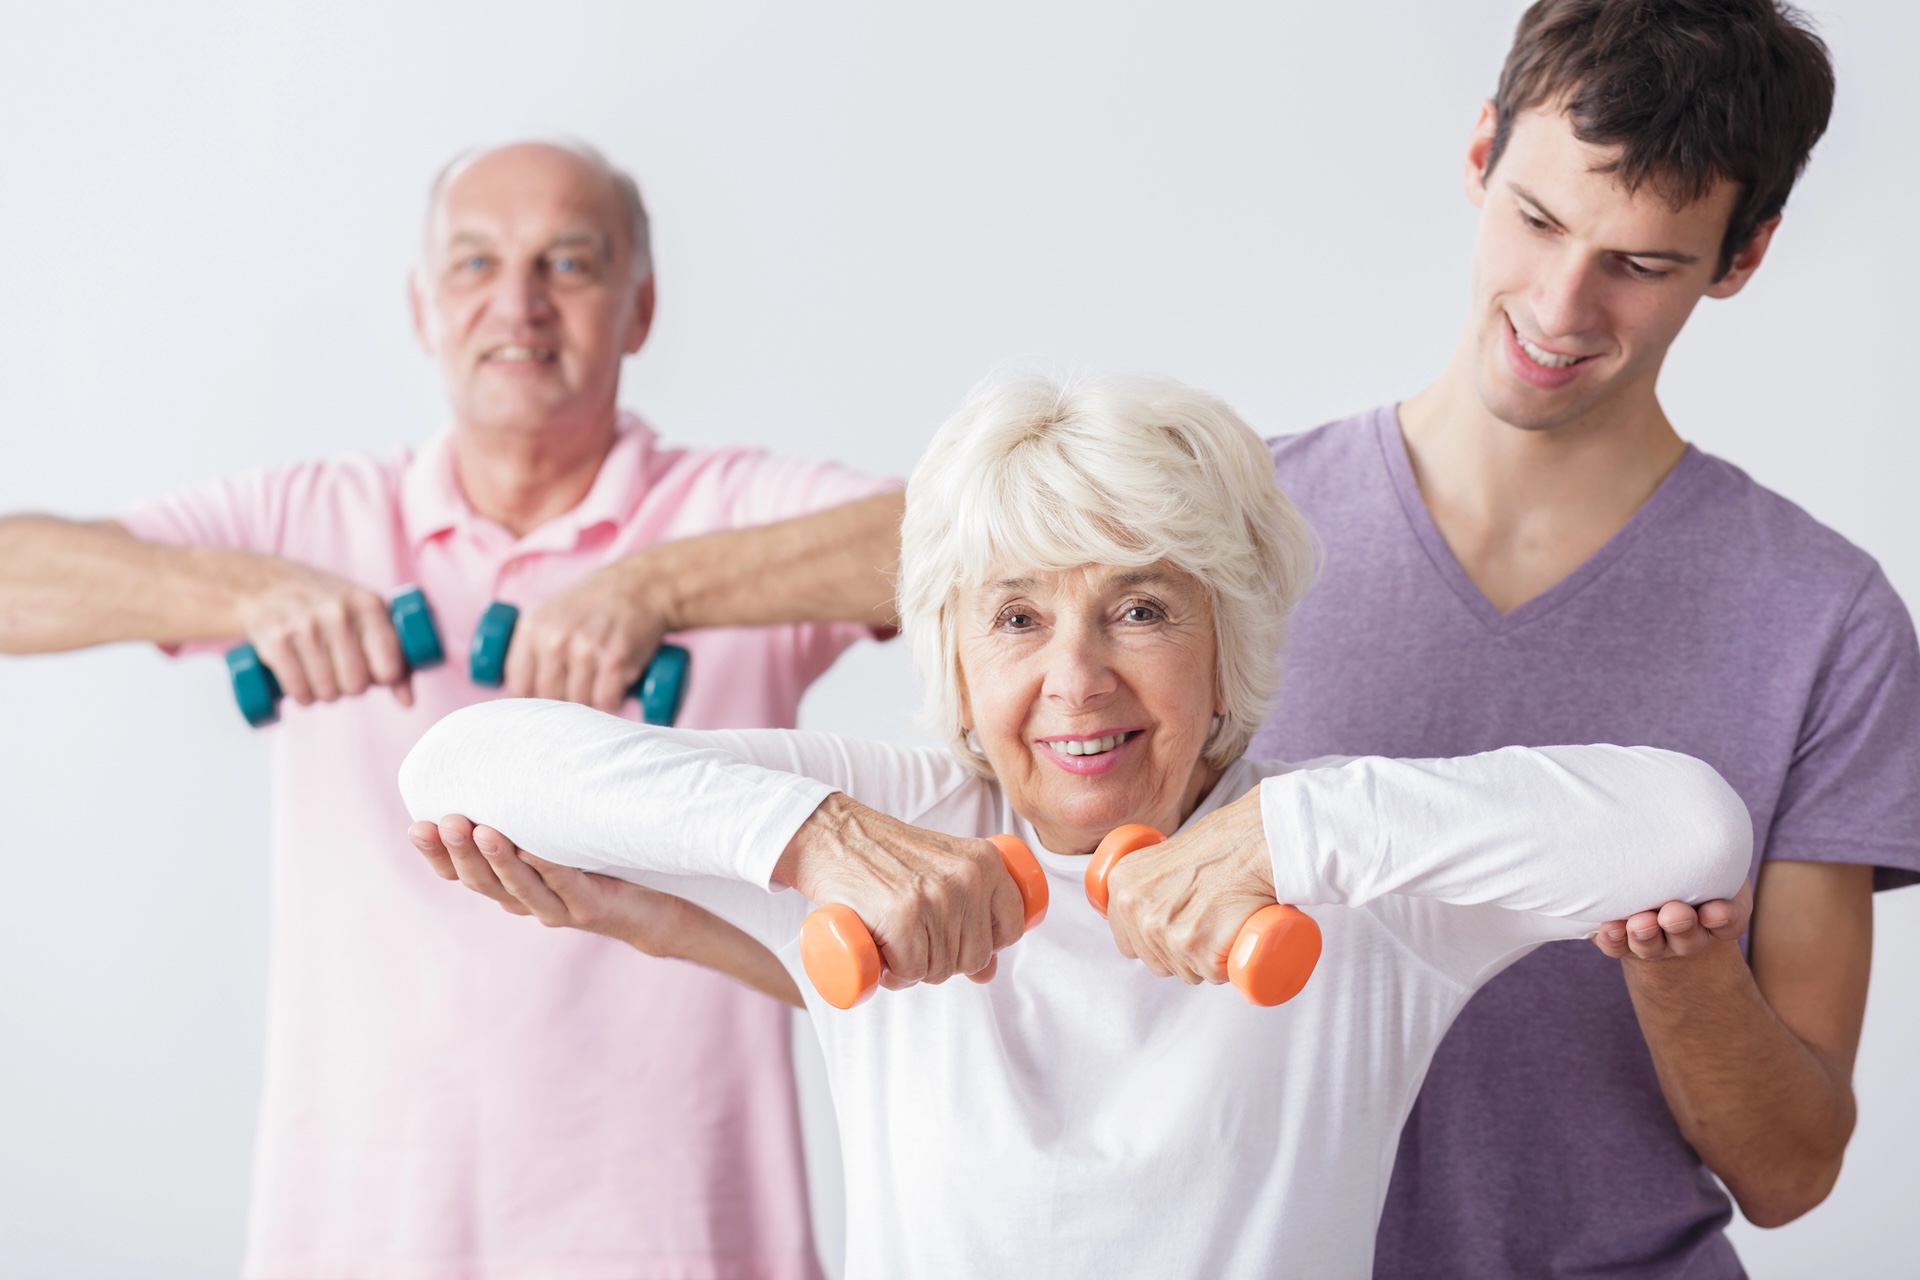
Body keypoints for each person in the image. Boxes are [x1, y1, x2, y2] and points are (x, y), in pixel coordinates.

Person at [400, 371, 1751, 1278]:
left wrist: (1294, 833)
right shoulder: (887, 831)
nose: (1078, 681)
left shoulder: (1364, 878)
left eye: (1144, 609)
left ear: (1233, 636)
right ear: (955, 653)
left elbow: (1688, 828)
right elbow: (459, 763)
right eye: (1018, 617)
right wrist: (815, 839)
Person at [1099, 3, 1920, 1275]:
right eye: (1538, 220)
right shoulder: (1219, 537)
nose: (1559, 304)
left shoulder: (1829, 620)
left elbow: (1793, 1168)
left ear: (1743, 256)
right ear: (1482, 150)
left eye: (1641, 265)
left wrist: (1684, 969)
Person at [0, 140, 902, 1280]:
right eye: (476, 264)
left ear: (642, 306)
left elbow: (989, 543)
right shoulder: (312, 513)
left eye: (568, 263)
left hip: (680, 1229)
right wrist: (246, 591)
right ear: (424, 309)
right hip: (364, 1232)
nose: (517, 304)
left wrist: (661, 586)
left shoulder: (726, 508)